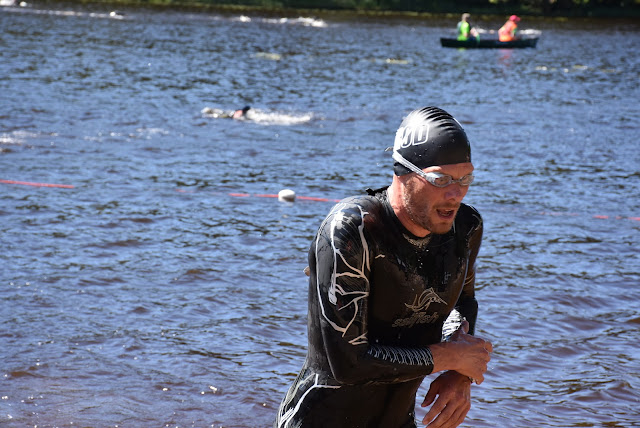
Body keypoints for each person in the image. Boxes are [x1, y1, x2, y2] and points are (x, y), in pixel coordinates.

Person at [274, 106, 493, 428]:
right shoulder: (354, 230)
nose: (455, 194)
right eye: (440, 179)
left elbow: (462, 302)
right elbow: (349, 363)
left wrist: (461, 372)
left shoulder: (466, 227)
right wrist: (450, 357)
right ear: (403, 173)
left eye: (465, 179)